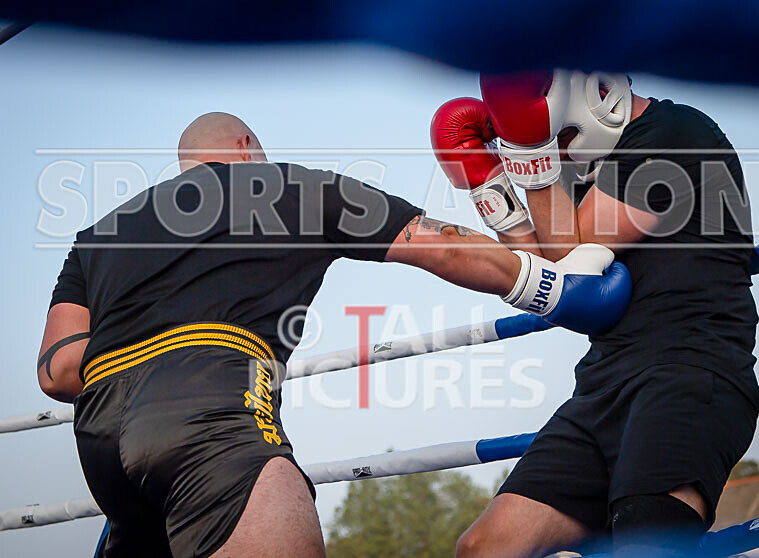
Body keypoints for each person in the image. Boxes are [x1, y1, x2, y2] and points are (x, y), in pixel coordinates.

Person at [37, 112, 629, 558]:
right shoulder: (288, 187)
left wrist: (150, 341)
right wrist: (549, 286)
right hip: (210, 420)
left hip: (103, 446)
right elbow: (440, 245)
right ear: (246, 150)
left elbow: (57, 372)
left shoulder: (99, 234)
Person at [431, 70, 758, 557]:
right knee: (484, 547)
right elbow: (549, 278)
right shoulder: (584, 173)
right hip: (601, 389)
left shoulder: (676, 133)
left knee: (645, 538)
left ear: (593, 96)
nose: (555, 152)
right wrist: (492, 183)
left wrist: (528, 151)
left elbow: (573, 266)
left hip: (688, 373)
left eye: (553, 134)